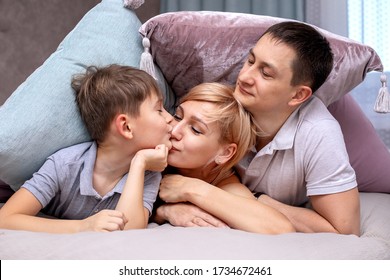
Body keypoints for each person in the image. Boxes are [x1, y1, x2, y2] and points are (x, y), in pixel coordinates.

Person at [158, 22, 361, 236]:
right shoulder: (222, 106)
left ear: (298, 95)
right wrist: (165, 210)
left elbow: (344, 230)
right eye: (250, 61)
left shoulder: (318, 133)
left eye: (266, 73)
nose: (244, 77)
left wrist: (253, 199)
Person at [0, 65, 173, 233]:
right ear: (126, 126)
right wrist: (82, 227)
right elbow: (5, 218)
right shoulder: (64, 165)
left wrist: (139, 163)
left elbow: (129, 232)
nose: (170, 118)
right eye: (159, 110)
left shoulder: (147, 173)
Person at [153, 82, 295, 234]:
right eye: (177, 116)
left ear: (225, 153)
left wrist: (190, 188)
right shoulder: (154, 141)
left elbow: (282, 228)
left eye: (195, 130)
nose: (174, 130)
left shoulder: (226, 186)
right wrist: (162, 212)